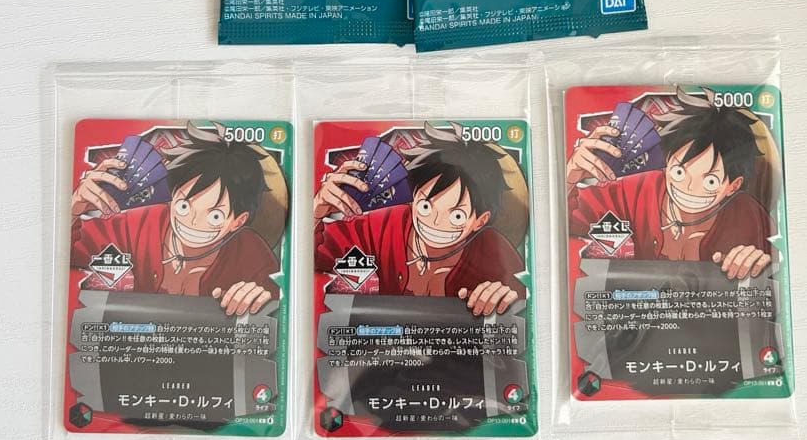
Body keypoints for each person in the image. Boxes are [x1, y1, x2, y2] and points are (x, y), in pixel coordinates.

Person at [314, 122, 525, 316]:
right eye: (425, 206)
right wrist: (315, 212)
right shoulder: (381, 226)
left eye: (457, 216)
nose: (434, 222)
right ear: (414, 196)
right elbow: (314, 255)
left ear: (480, 220)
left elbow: (523, 298)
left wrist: (504, 299)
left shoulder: (493, 253)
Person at [71, 122, 278, 315]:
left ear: (238, 221)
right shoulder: (139, 224)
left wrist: (259, 299)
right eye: (184, 206)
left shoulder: (252, 256)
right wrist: (72, 209)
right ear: (171, 198)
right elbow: (71, 252)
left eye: (215, 216)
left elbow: (277, 306)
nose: (193, 222)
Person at [566, 88, 773, 279]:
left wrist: (758, 263)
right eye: (679, 172)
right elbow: (568, 221)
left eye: (710, 181)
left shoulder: (748, 217)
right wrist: (569, 179)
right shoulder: (637, 190)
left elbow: (775, 267)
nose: (689, 187)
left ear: (733, 186)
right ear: (667, 162)